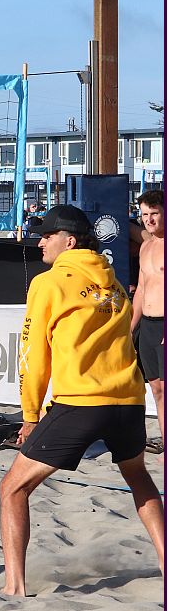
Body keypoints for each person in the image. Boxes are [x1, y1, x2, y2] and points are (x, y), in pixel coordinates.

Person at [0, 204, 165, 596]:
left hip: (82, 401)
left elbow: (32, 355)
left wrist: (30, 415)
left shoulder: (48, 283)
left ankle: (14, 586)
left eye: (47, 235)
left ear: (69, 241)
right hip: (129, 399)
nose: (40, 242)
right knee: (138, 476)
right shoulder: (113, 281)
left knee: (12, 489)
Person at [131, 189, 165, 442]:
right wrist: (131, 327)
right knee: (156, 389)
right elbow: (142, 289)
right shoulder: (146, 246)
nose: (149, 220)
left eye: (154, 213)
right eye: (144, 215)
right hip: (148, 326)